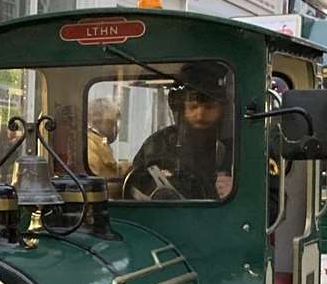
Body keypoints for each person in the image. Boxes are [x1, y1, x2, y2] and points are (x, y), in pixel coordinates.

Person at [124, 62, 234, 201]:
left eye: (209, 107)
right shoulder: (159, 143)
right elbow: (134, 184)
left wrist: (237, 189)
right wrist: (152, 184)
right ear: (181, 107)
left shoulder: (238, 148)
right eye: (193, 106)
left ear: (222, 109)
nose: (200, 115)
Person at [85, 97, 123, 182]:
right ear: (96, 121)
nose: (116, 128)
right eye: (112, 123)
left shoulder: (99, 143)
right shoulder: (91, 149)